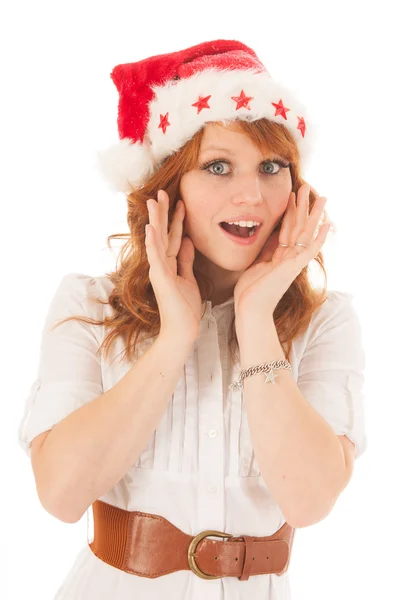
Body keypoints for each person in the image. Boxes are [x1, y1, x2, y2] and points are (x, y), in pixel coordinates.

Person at [17, 39, 367, 600]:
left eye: (271, 167)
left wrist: (255, 319)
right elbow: (60, 495)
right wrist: (175, 337)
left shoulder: (327, 323)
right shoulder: (90, 306)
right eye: (218, 166)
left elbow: (308, 500)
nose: (251, 194)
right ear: (167, 186)